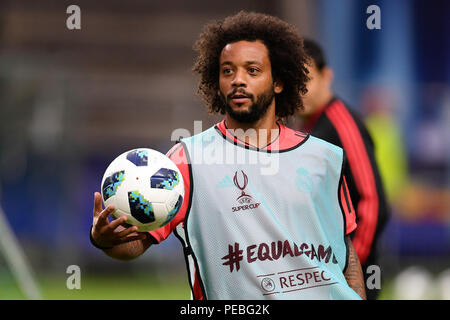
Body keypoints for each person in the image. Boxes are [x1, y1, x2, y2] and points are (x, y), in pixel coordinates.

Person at [90, 11, 366, 300]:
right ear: (216, 81)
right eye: (228, 70)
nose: (238, 80)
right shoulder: (186, 162)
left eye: (253, 70)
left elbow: (344, 253)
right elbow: (134, 244)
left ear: (278, 82)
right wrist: (104, 240)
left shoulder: (323, 157)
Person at [291, 39, 389, 299]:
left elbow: (374, 203)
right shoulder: (306, 129)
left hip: (353, 275)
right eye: (293, 83)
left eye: (307, 80)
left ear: (327, 76)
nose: (300, 91)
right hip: (325, 272)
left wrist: (350, 270)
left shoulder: (342, 123)